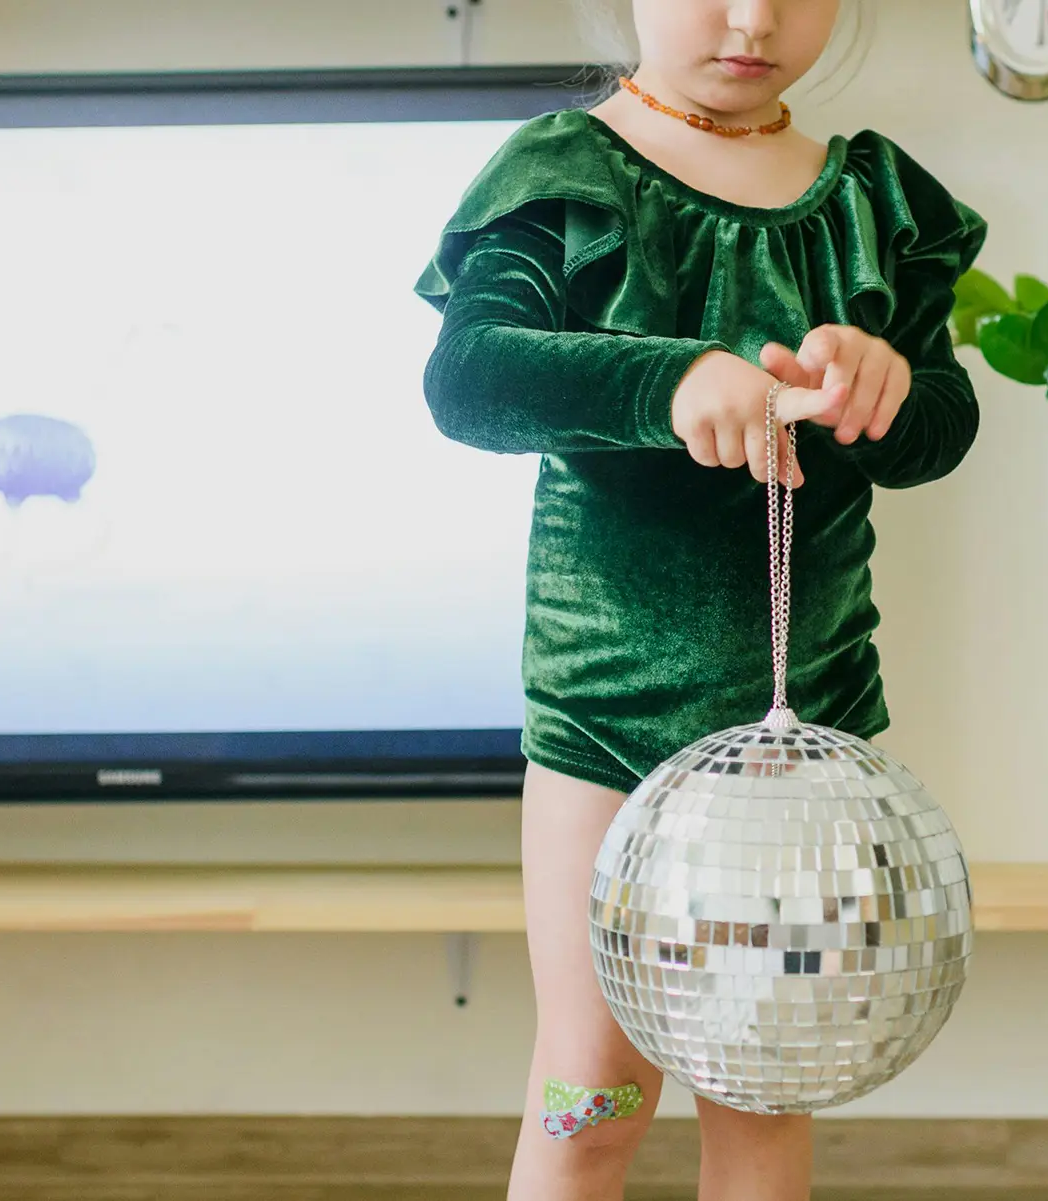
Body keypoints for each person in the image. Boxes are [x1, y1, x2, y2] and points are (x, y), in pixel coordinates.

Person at [414, 2, 987, 1197]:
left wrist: (882, 383)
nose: (753, 17)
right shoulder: (565, 172)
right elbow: (472, 377)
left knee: (766, 1089)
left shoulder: (873, 200)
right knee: (592, 1096)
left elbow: (939, 425)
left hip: (806, 742)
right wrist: (667, 380)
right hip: (606, 723)